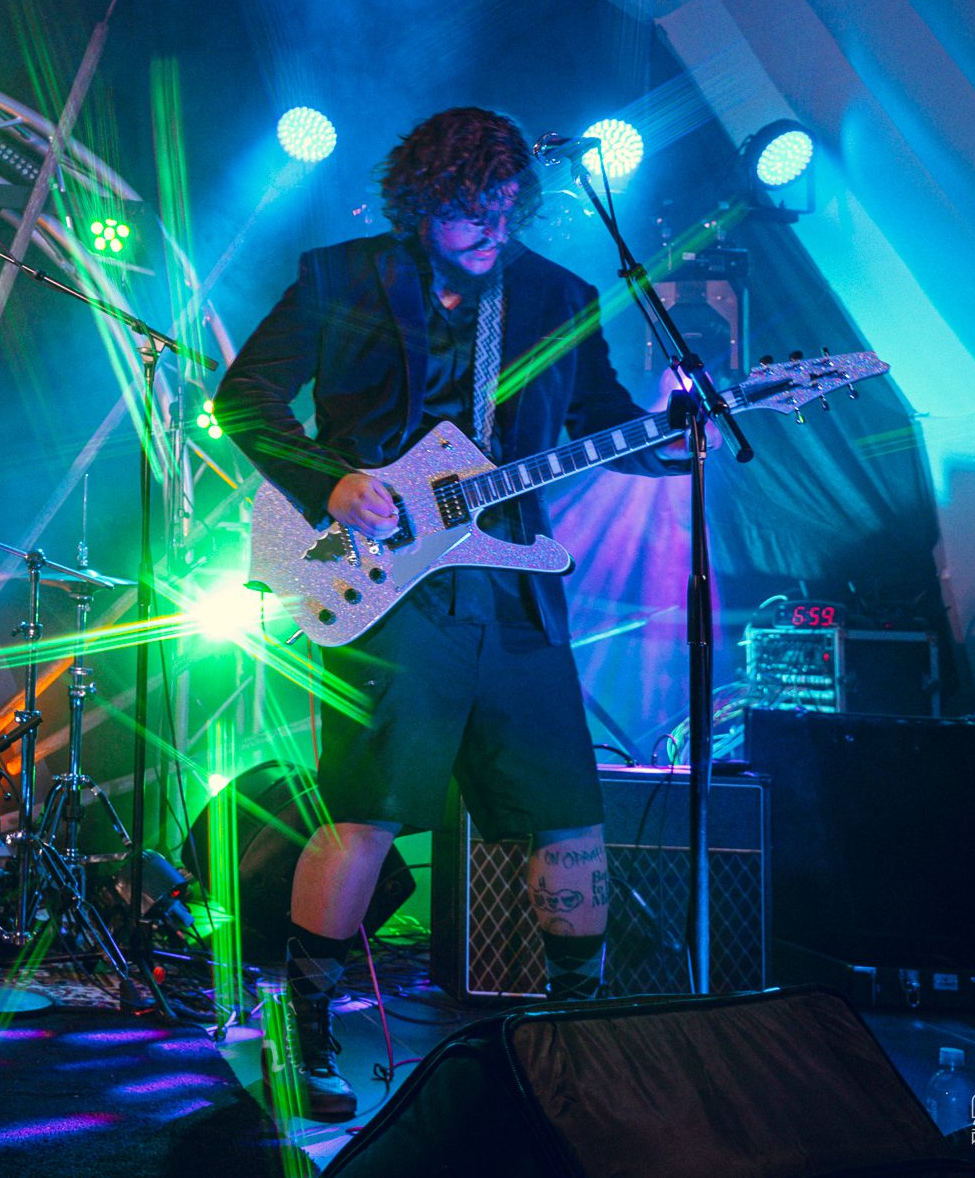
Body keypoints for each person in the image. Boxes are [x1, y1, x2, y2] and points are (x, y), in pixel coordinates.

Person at [215, 106, 687, 1121]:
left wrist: (668, 436)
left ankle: (576, 1032)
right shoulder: (339, 277)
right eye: (471, 211)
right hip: (386, 581)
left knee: (568, 816)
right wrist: (330, 481)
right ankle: (305, 1025)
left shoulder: (559, 295)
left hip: (512, 586)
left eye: (507, 209)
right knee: (367, 810)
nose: (491, 229)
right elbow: (243, 397)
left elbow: (604, 422)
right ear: (421, 203)